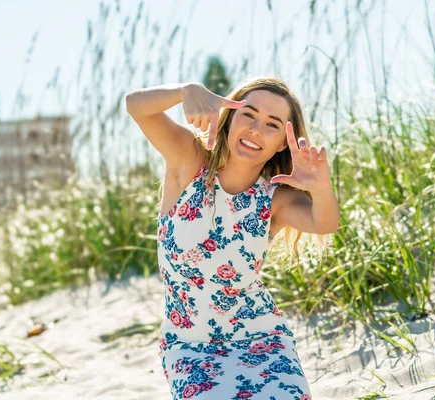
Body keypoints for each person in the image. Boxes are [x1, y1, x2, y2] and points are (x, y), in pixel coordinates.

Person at [126, 76, 340, 399]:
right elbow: (135, 106)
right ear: (229, 115)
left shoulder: (274, 199)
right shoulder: (188, 160)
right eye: (248, 114)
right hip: (190, 348)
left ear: (283, 142)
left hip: (262, 340)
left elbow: (324, 223)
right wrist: (185, 91)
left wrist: (321, 188)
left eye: (272, 124)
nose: (255, 129)